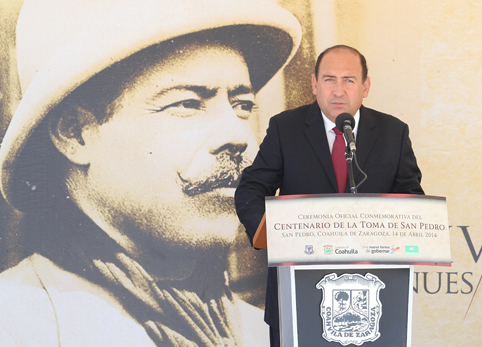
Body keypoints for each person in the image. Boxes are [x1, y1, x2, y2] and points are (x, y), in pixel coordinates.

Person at [0, 0, 301, 346]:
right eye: (187, 103)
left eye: (242, 106)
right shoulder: (16, 326)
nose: (238, 137)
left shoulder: (263, 332)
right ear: (76, 133)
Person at [235, 44, 424, 346]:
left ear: (366, 86)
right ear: (314, 84)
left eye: (349, 80)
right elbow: (252, 188)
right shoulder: (286, 128)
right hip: (296, 288)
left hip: (372, 299)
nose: (338, 90)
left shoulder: (393, 132)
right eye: (329, 79)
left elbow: (411, 200)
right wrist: (270, 231)